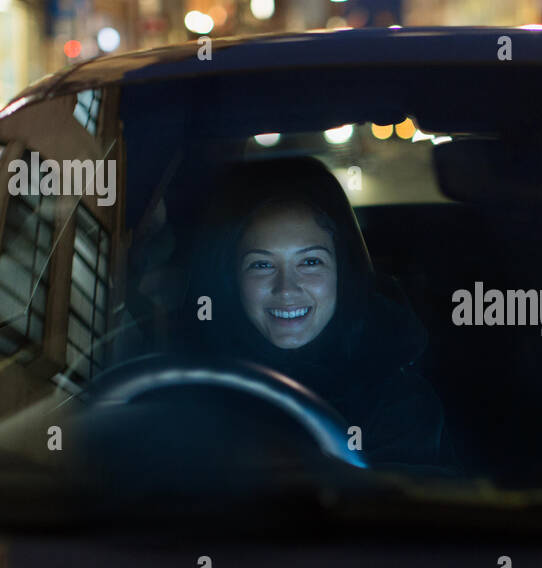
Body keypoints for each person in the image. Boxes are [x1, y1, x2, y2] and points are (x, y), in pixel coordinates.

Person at [188, 156, 451, 471]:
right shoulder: (187, 379)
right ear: (232, 279)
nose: (285, 288)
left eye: (310, 262)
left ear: (343, 271)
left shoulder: (399, 402)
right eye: (261, 264)